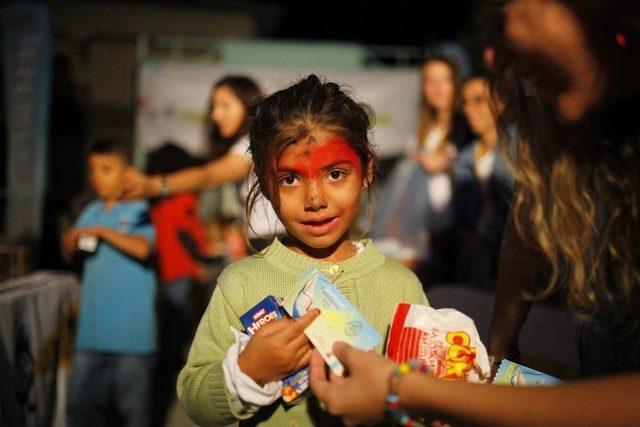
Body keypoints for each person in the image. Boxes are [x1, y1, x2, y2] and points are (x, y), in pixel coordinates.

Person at [309, 0, 640, 425]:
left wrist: (402, 389)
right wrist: (500, 352)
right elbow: (526, 227)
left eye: (505, 19)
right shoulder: (582, 136)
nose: (491, 56)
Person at [176, 75, 429, 426]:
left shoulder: (402, 287)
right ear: (266, 185)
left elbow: (422, 396)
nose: (316, 200)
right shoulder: (240, 283)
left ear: (366, 169)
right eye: (290, 179)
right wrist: (249, 371)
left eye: (336, 174)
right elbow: (194, 396)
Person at [123, 75, 284, 247]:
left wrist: (154, 186)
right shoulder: (248, 144)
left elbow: (207, 176)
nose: (215, 115)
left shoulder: (251, 145)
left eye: (225, 105)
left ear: (247, 105)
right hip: (265, 242)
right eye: (214, 106)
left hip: (274, 241)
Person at [62, 139, 157, 426]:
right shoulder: (91, 211)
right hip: (91, 335)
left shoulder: (141, 209)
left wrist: (103, 233)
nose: (97, 177)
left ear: (127, 173)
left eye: (106, 169)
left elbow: (144, 248)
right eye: (93, 170)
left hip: (132, 339)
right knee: (80, 411)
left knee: (133, 414)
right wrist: (70, 241)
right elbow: (69, 250)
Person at [370, 55, 471, 279]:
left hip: (444, 239)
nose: (437, 88)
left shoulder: (466, 130)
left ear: (456, 83)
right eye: (429, 80)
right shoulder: (421, 131)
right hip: (408, 238)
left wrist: (447, 164)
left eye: (444, 80)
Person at [453, 76, 513, 288]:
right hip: (475, 263)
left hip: (513, 262)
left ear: (501, 103)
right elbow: (459, 217)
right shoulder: (465, 157)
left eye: (478, 100)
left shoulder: (520, 149)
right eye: (465, 102)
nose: (469, 109)